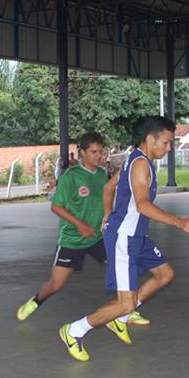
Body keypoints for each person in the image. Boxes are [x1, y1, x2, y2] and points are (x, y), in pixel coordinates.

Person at [59, 116, 189, 362]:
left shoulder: (135, 158)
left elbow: (108, 188)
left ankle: (122, 318)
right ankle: (74, 330)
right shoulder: (140, 165)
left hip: (137, 236)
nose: (169, 149)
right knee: (126, 303)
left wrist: (107, 215)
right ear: (150, 139)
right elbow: (143, 205)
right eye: (166, 143)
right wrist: (179, 222)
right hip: (125, 238)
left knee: (165, 274)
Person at [16, 132, 147, 326]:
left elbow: (106, 197)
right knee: (56, 284)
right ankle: (35, 302)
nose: (98, 156)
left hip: (98, 237)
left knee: (123, 268)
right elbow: (56, 207)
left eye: (101, 152)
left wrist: (108, 216)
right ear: (82, 153)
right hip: (73, 240)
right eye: (93, 152)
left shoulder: (103, 174)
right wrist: (81, 225)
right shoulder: (71, 177)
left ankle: (126, 310)